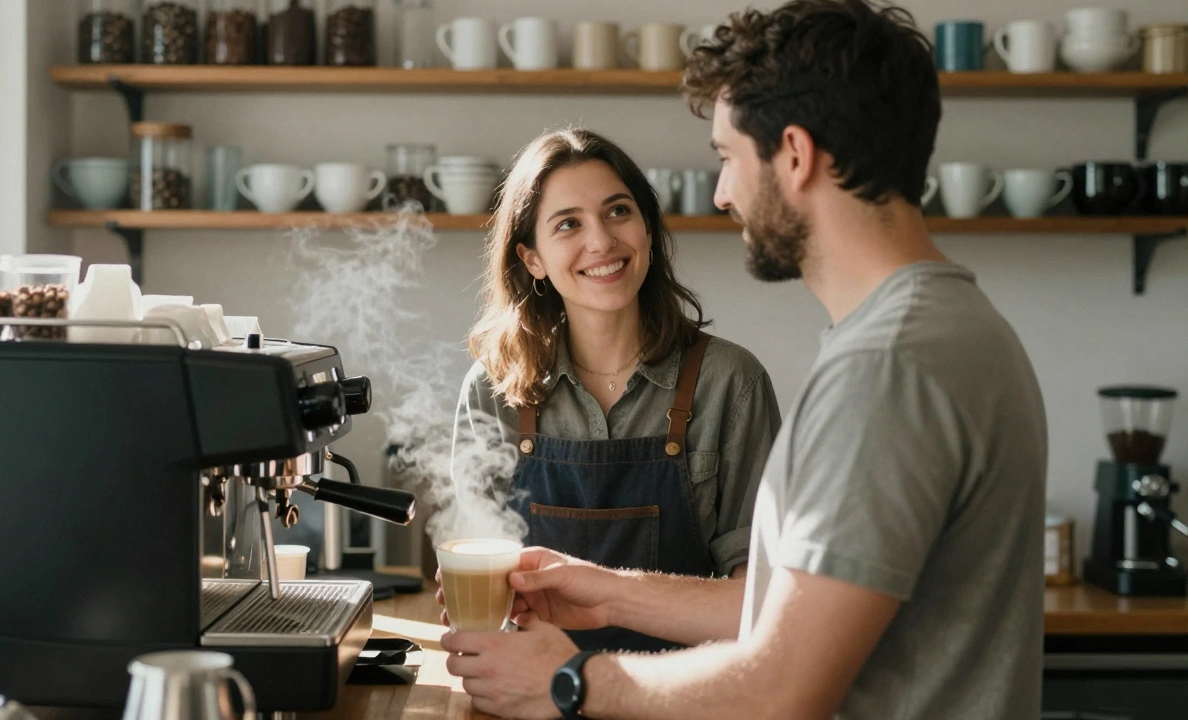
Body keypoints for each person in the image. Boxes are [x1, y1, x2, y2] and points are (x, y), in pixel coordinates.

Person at [439, 2, 1049, 719]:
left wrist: (569, 680)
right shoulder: (946, 328)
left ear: (794, 153)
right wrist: (603, 590)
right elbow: (778, 612)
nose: (723, 194)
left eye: (728, 158)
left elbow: (781, 686)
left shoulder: (887, 368)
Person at [449, 127, 782, 652]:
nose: (601, 241)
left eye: (618, 211)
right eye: (568, 224)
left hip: (687, 700)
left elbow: (764, 604)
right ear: (531, 258)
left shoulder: (730, 384)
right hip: (535, 694)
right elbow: (485, 591)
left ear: (647, 229)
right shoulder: (493, 391)